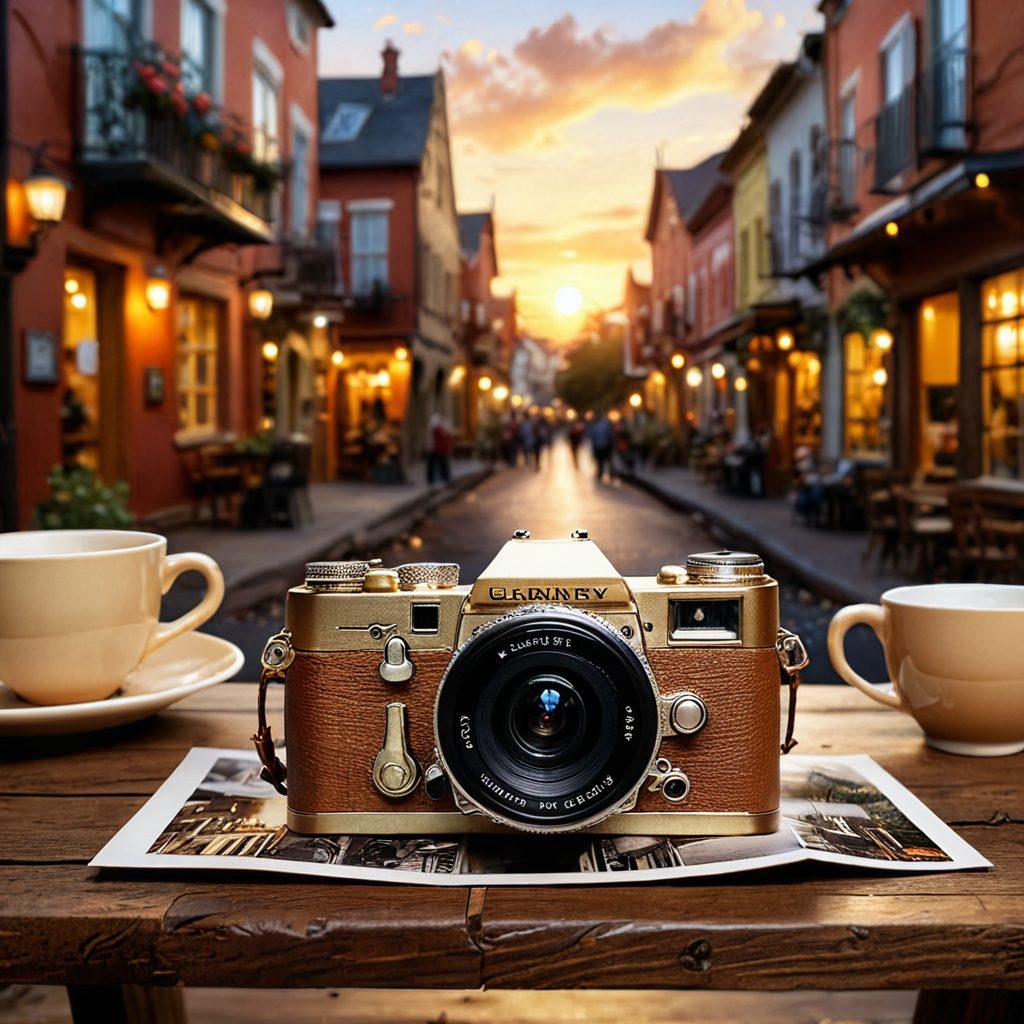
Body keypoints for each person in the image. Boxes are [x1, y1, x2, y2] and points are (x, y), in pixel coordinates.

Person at [427, 411, 452, 485]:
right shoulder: (438, 428)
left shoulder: (440, 427)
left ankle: (443, 478)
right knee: (439, 463)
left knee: (441, 463)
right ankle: (442, 478)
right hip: (437, 448)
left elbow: (445, 436)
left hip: (439, 448)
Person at [589, 413, 614, 482]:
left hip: (598, 446)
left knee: (600, 461)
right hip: (606, 446)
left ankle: (600, 474)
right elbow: (610, 435)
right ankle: (610, 474)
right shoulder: (607, 425)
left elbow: (592, 437)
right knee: (608, 461)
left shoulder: (595, 426)